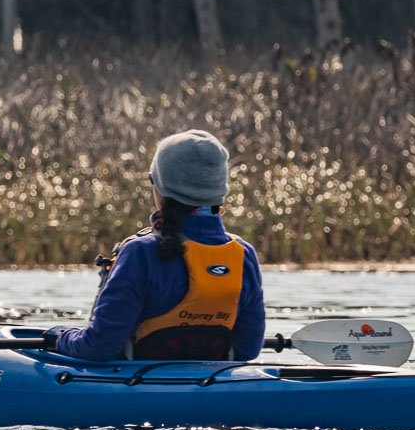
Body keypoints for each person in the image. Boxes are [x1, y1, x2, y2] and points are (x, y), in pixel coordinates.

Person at [50, 129, 265, 362]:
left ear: (160, 187)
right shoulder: (243, 254)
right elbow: (248, 350)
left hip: (138, 381)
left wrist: (59, 336)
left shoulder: (140, 253)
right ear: (219, 192)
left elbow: (99, 348)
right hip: (215, 380)